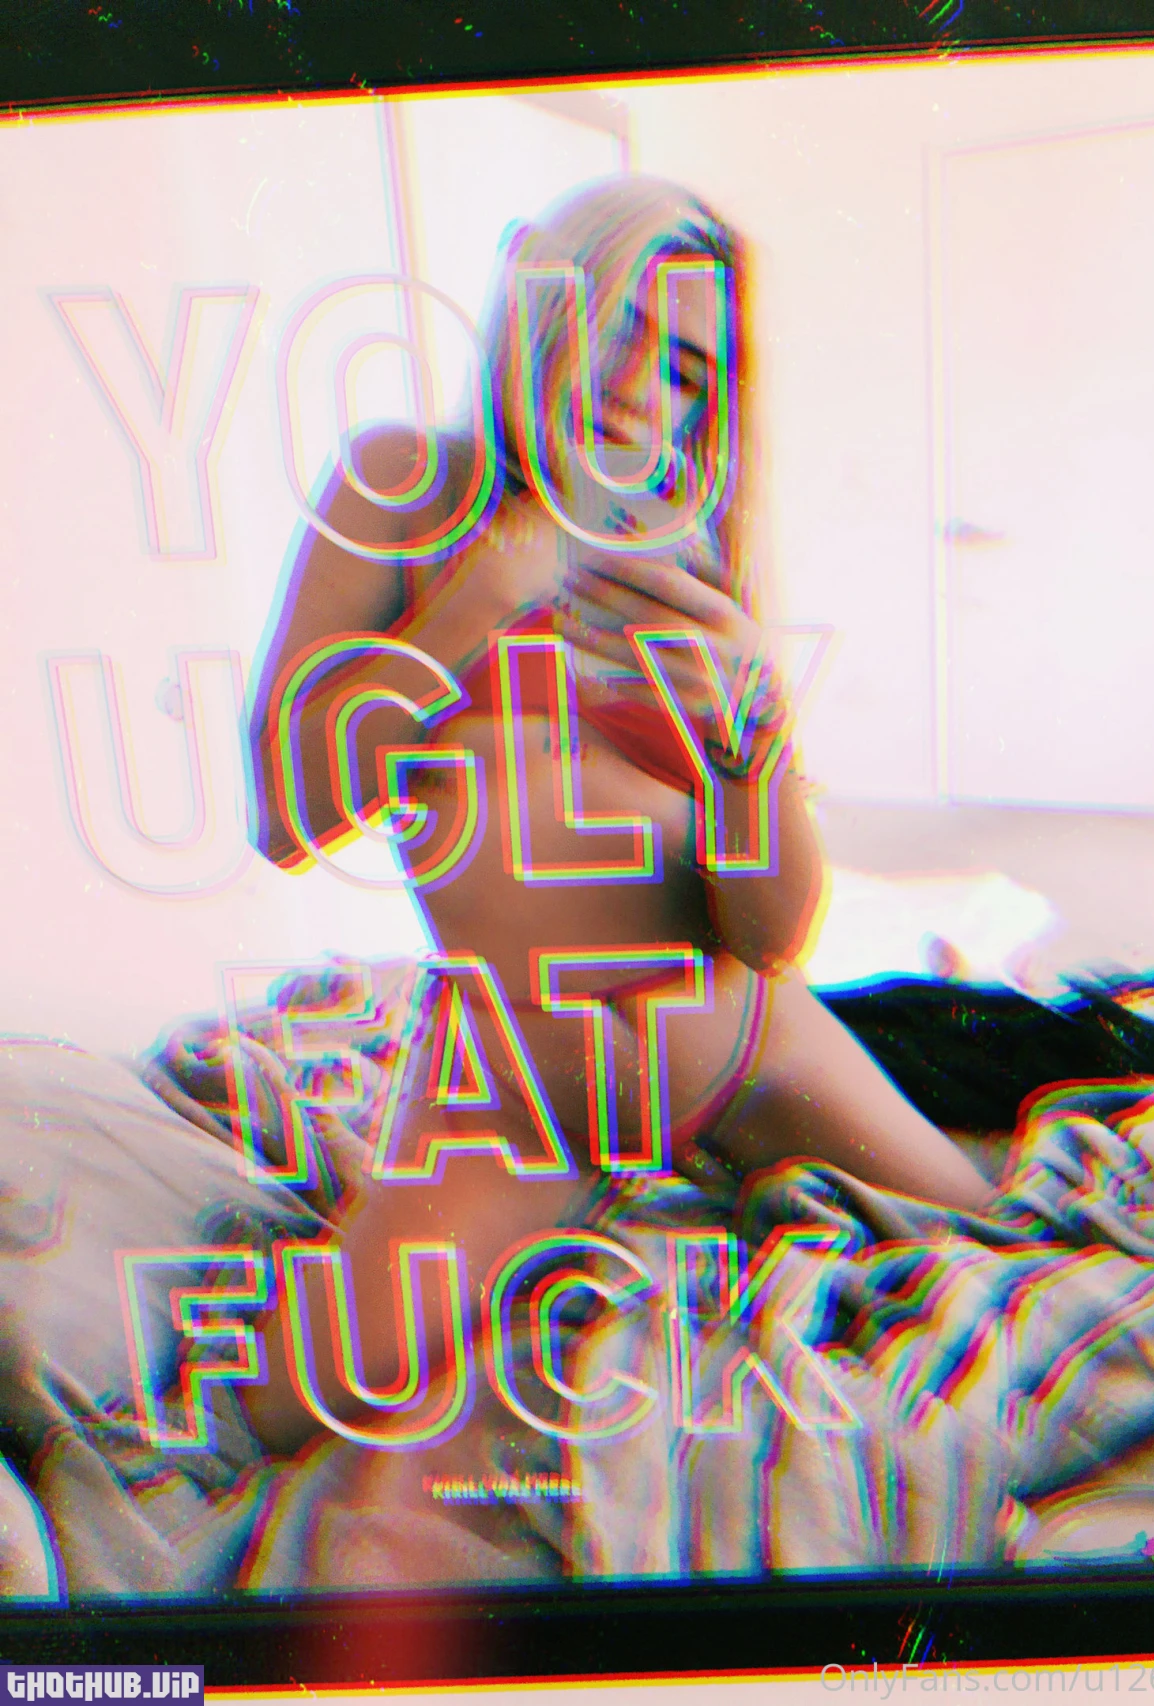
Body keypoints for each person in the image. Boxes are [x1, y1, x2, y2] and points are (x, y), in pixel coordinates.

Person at [244, 174, 992, 1454]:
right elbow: (289, 813)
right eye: (620, 330)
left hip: (740, 1041)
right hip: (515, 1086)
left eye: (690, 368)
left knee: (993, 1240)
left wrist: (751, 745)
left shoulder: (692, 567)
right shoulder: (402, 487)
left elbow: (769, 937)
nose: (643, 389)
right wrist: (480, 597)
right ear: (549, 306)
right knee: (280, 1403)